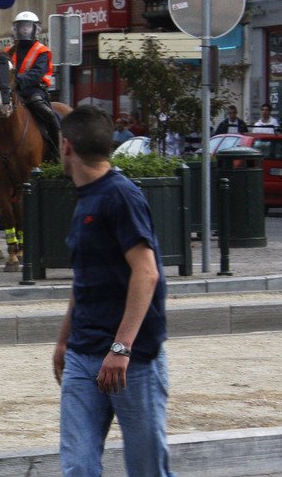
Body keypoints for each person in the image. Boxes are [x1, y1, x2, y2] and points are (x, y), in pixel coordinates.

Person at [53, 104, 173, 476]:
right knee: (78, 467)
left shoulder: (120, 196)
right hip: (83, 354)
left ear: (66, 146)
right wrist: (63, 341)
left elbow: (146, 273)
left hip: (131, 361)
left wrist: (120, 349)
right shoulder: (87, 197)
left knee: (147, 469)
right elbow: (85, 278)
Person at [11, 11, 61, 155]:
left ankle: (56, 150)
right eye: (22, 26)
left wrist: (18, 81)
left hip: (33, 90)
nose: (25, 29)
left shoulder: (42, 51)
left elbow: (37, 73)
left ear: (35, 29)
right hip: (11, 90)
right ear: (17, 29)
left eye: (28, 26)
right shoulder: (9, 50)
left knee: (47, 113)